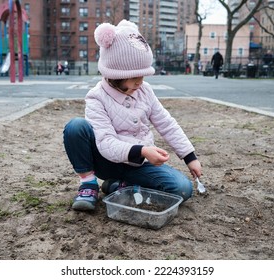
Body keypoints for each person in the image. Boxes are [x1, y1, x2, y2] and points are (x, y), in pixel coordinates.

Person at [63, 20, 202, 211]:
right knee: (76, 127)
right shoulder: (97, 97)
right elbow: (105, 142)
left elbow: (166, 123)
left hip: (140, 165)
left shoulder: (145, 91)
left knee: (182, 188)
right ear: (116, 74)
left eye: (143, 76)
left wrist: (189, 156)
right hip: (107, 161)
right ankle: (88, 184)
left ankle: (119, 186)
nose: (140, 82)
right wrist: (142, 150)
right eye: (134, 77)